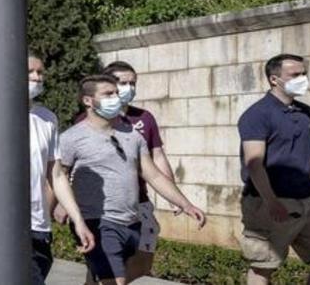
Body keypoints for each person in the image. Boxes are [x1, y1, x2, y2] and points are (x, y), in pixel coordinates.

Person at [0, 53, 96, 284]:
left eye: (40, 73)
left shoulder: (47, 119)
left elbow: (56, 174)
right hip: (4, 226)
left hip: (39, 227)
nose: (36, 78)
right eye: (30, 72)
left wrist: (78, 220)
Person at [60, 75, 207, 285]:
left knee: (105, 279)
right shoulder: (71, 138)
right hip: (98, 222)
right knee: (115, 281)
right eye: (108, 94)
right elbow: (57, 176)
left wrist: (185, 204)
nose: (115, 98)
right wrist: (60, 209)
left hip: (131, 222)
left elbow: (153, 174)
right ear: (87, 101)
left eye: (116, 94)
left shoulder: (132, 135)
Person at [237, 53, 310, 285]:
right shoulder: (257, 115)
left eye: (304, 73)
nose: (303, 79)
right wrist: (271, 201)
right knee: (263, 267)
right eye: (295, 75)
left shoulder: (307, 113)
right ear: (274, 79)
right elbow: (254, 162)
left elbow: (306, 157)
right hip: (270, 201)